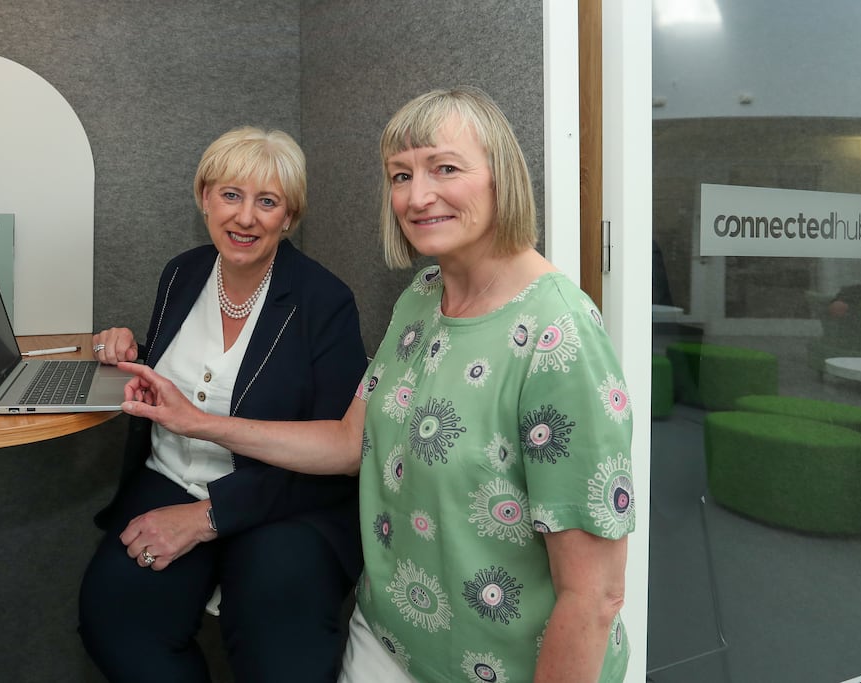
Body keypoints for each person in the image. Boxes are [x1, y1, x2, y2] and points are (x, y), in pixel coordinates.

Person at [117, 88, 635, 682]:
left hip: (503, 666)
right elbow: (348, 441)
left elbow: (593, 599)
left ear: (502, 179)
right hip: (389, 637)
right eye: (400, 175)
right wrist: (198, 422)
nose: (417, 196)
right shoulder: (422, 297)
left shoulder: (559, 335)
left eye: (445, 168)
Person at [77, 126, 367, 682]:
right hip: (169, 477)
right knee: (114, 620)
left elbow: (338, 448)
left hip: (283, 497)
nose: (245, 217)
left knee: (278, 638)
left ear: (290, 217)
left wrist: (211, 517)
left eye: (268, 202)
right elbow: (186, 373)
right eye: (231, 195)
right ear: (205, 198)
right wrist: (126, 350)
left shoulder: (324, 302)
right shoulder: (181, 274)